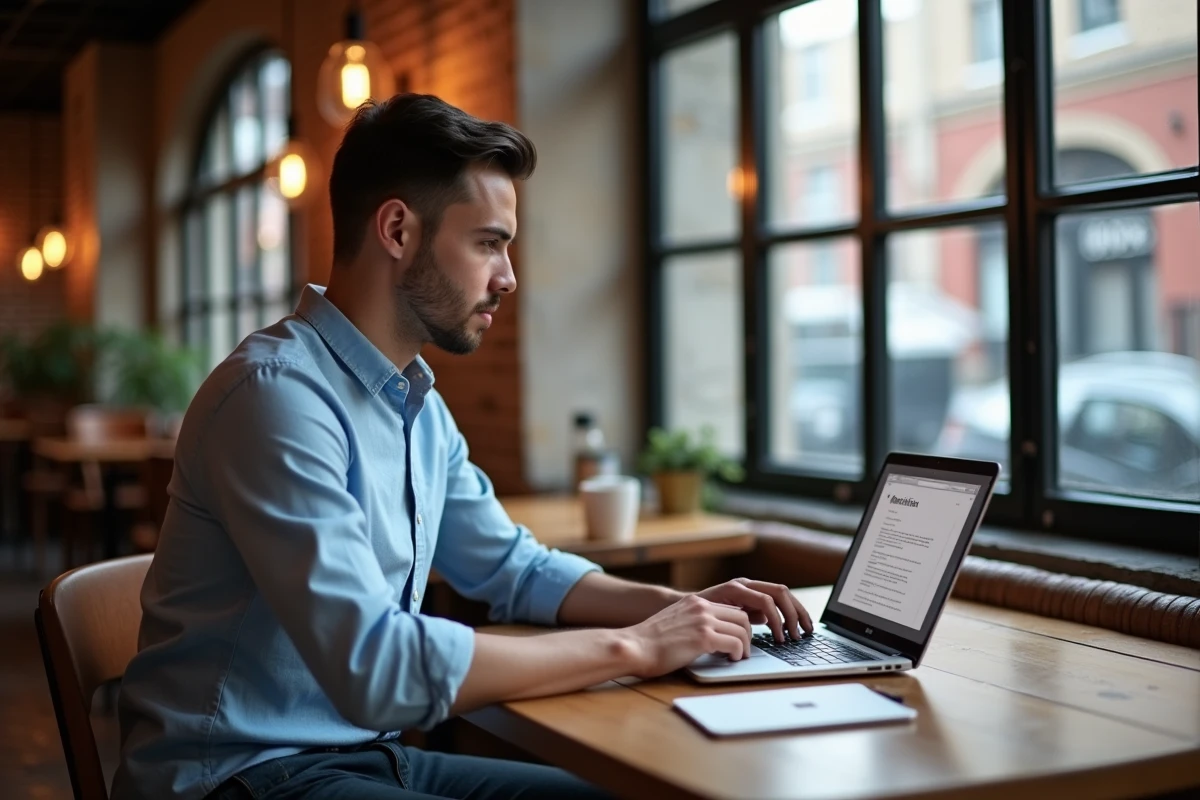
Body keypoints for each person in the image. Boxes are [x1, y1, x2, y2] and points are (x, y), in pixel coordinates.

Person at [111, 93, 813, 800]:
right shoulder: (274, 398)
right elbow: (374, 667)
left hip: (363, 759)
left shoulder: (416, 404)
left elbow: (513, 569)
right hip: (235, 778)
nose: (507, 277)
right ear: (397, 230)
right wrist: (637, 645)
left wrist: (679, 607)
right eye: (488, 242)